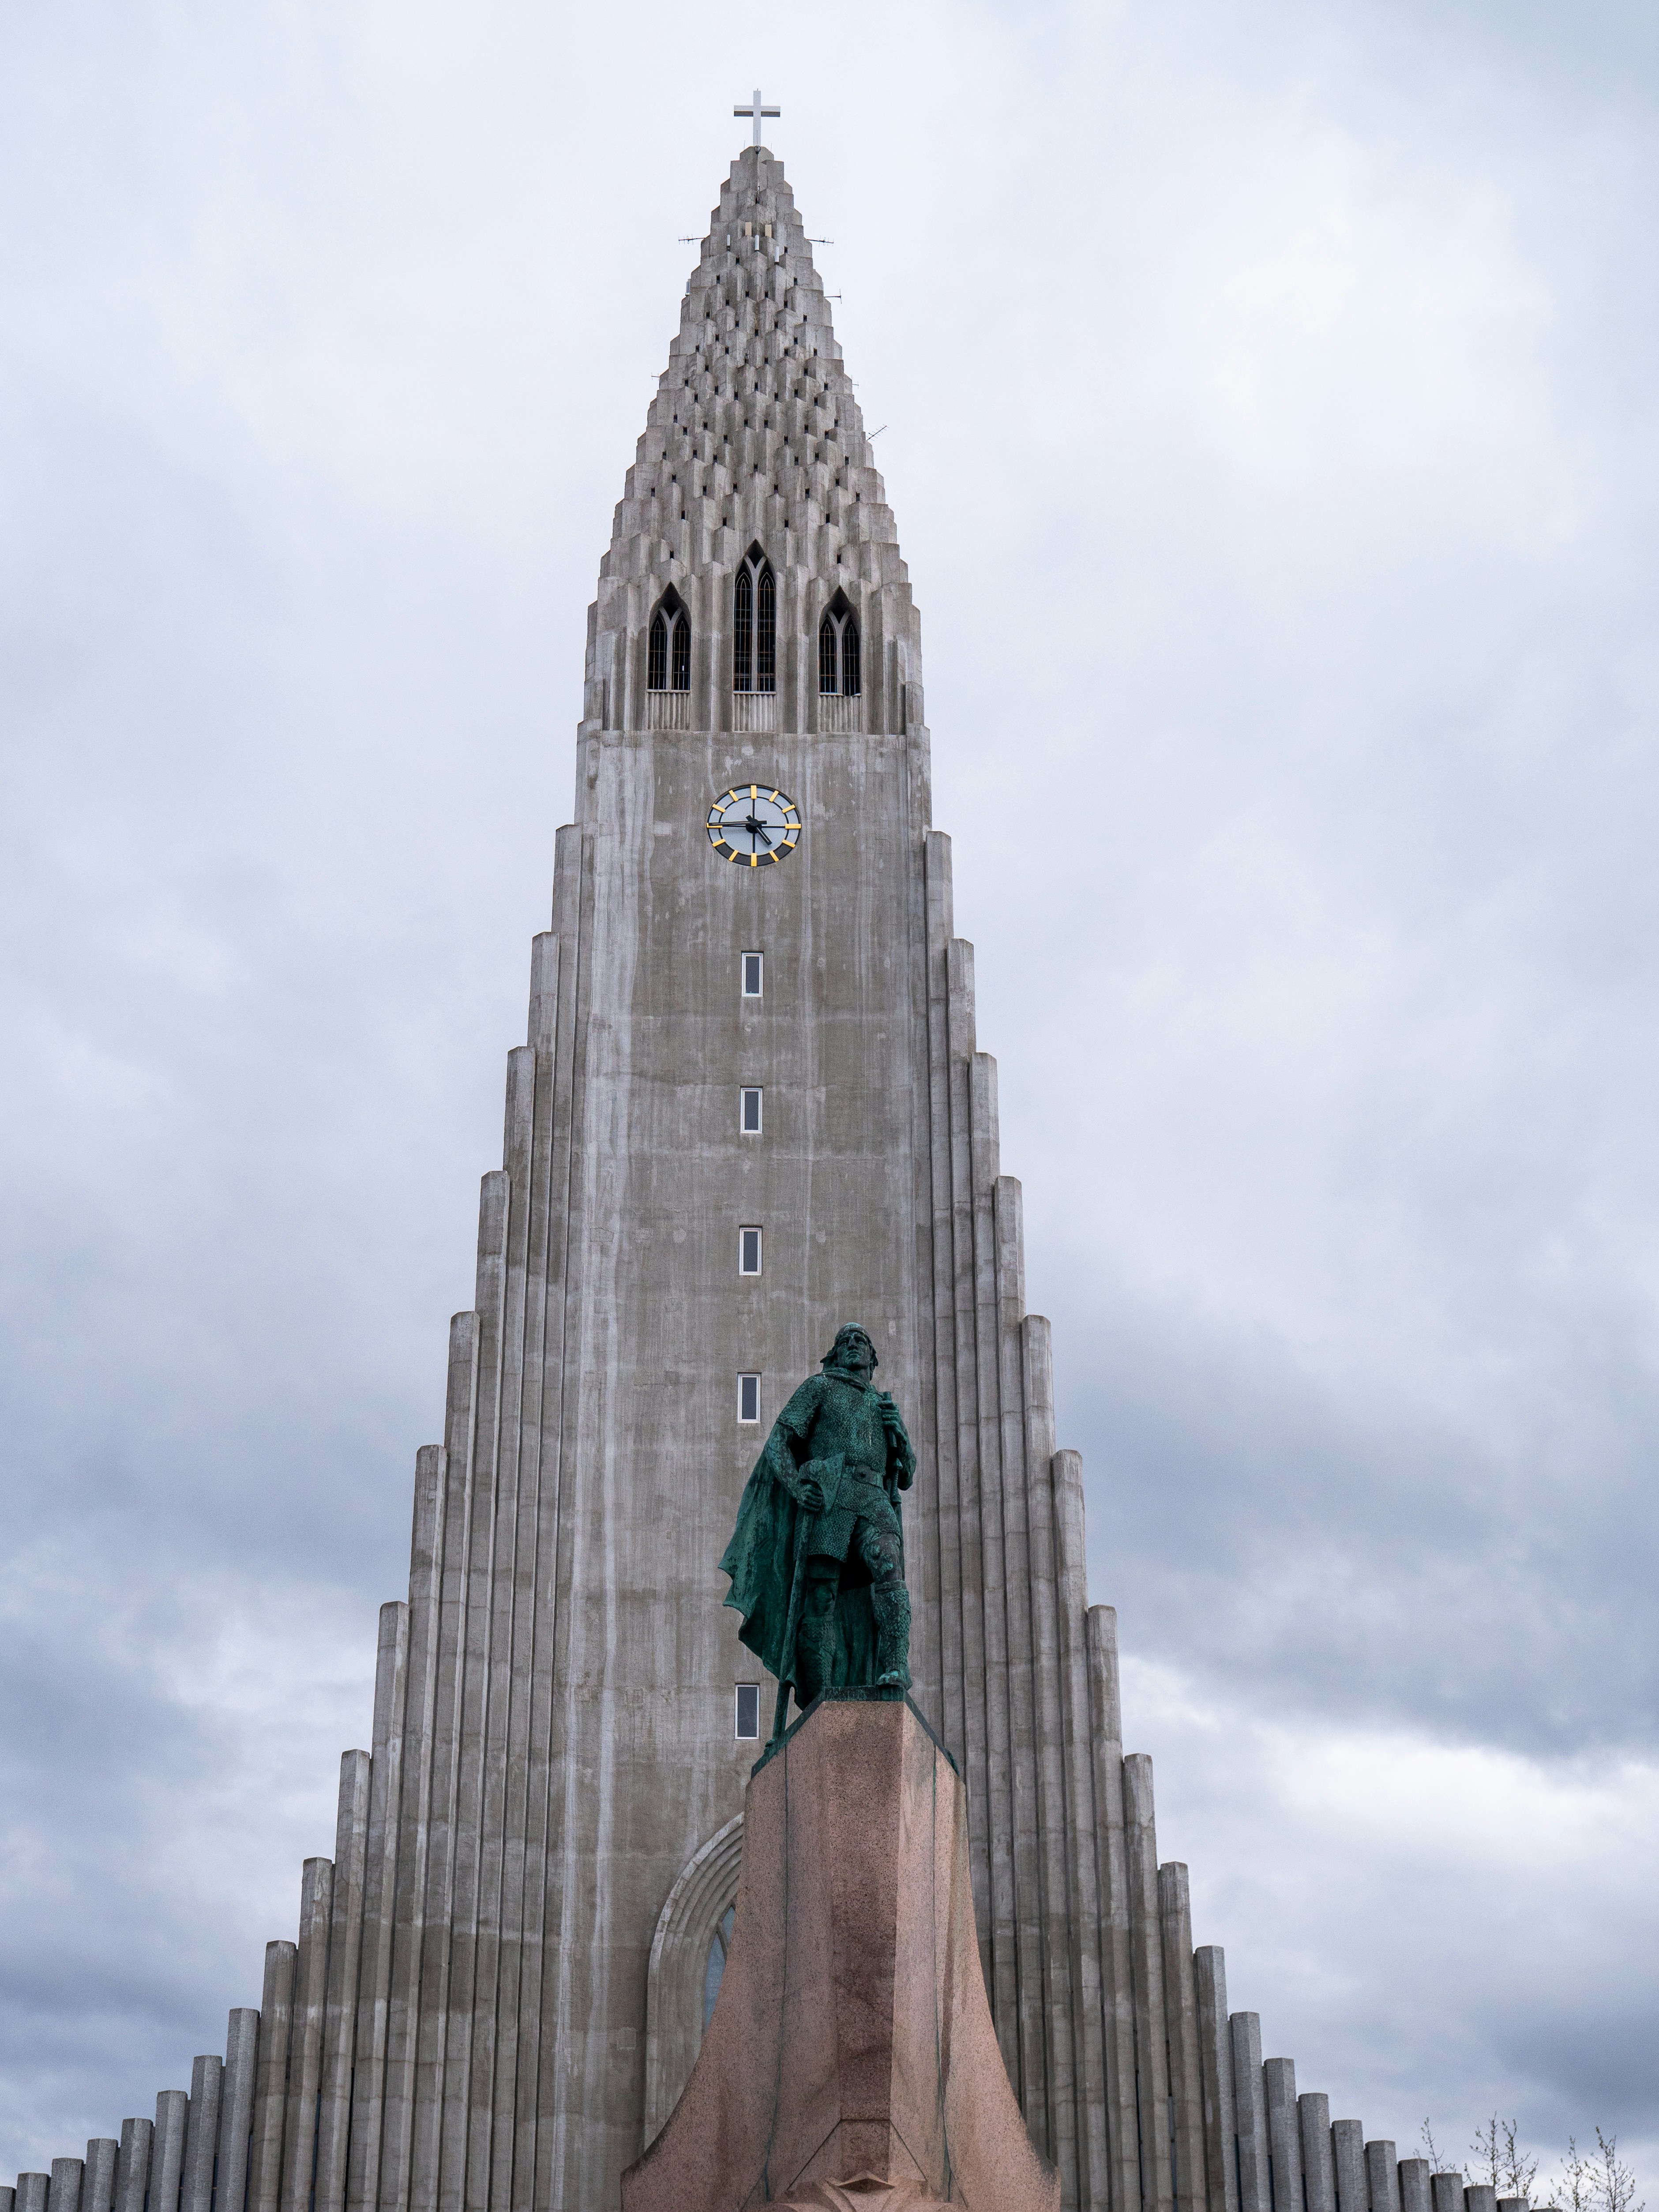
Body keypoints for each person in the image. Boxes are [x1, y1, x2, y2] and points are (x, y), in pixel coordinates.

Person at [719, 1323, 916, 1728]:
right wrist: (796, 1488)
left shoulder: (883, 1406)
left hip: (873, 1497)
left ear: (873, 1359)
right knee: (822, 1594)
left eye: (860, 1341)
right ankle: (822, 1691)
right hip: (831, 1496)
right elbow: (778, 1442)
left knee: (888, 1565)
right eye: (844, 1342)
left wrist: (901, 1438)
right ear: (834, 1355)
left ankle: (896, 1666)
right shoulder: (820, 1387)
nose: (852, 1345)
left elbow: (908, 1474)